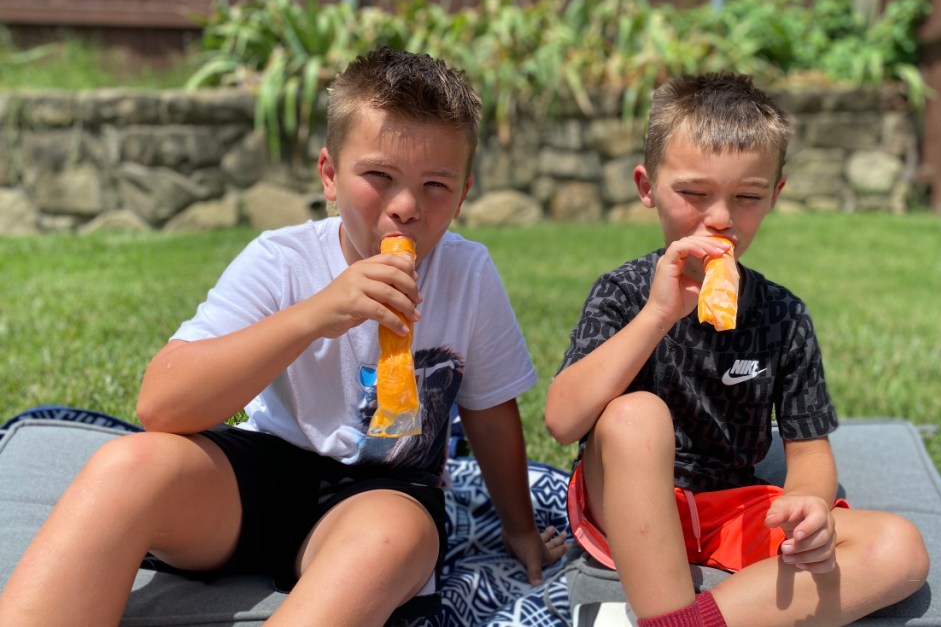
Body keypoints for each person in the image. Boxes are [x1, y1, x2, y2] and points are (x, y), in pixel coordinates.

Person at [0, 47, 567, 627]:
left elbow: (491, 414)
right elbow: (160, 405)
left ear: (464, 193)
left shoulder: (468, 273)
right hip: (258, 477)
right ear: (329, 175)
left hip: (384, 496)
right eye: (379, 176)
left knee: (389, 540)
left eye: (436, 185)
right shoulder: (282, 260)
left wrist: (519, 530)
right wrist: (316, 314)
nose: (406, 208)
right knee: (127, 467)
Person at [545, 72, 929, 627]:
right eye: (694, 194)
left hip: (731, 503)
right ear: (647, 187)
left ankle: (681, 622)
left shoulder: (783, 314)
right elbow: (561, 420)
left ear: (774, 196)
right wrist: (657, 316)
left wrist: (808, 504)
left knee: (899, 549)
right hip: (627, 504)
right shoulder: (624, 293)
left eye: (747, 196)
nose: (720, 218)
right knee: (635, 415)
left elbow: (809, 450)